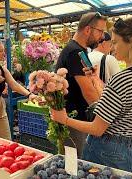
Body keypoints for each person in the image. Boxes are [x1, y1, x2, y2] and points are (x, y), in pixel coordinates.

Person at [51, 16, 132, 174]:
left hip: (109, 153)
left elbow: (97, 129)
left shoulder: (122, 79)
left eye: (116, 41)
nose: (112, 46)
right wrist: (96, 80)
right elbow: (127, 107)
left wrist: (64, 119)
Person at [55, 12, 107, 156]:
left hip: (77, 120)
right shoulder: (74, 52)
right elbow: (88, 91)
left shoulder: (80, 51)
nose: (102, 37)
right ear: (88, 29)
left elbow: (92, 81)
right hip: (74, 122)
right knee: (74, 166)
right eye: (100, 31)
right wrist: (103, 117)